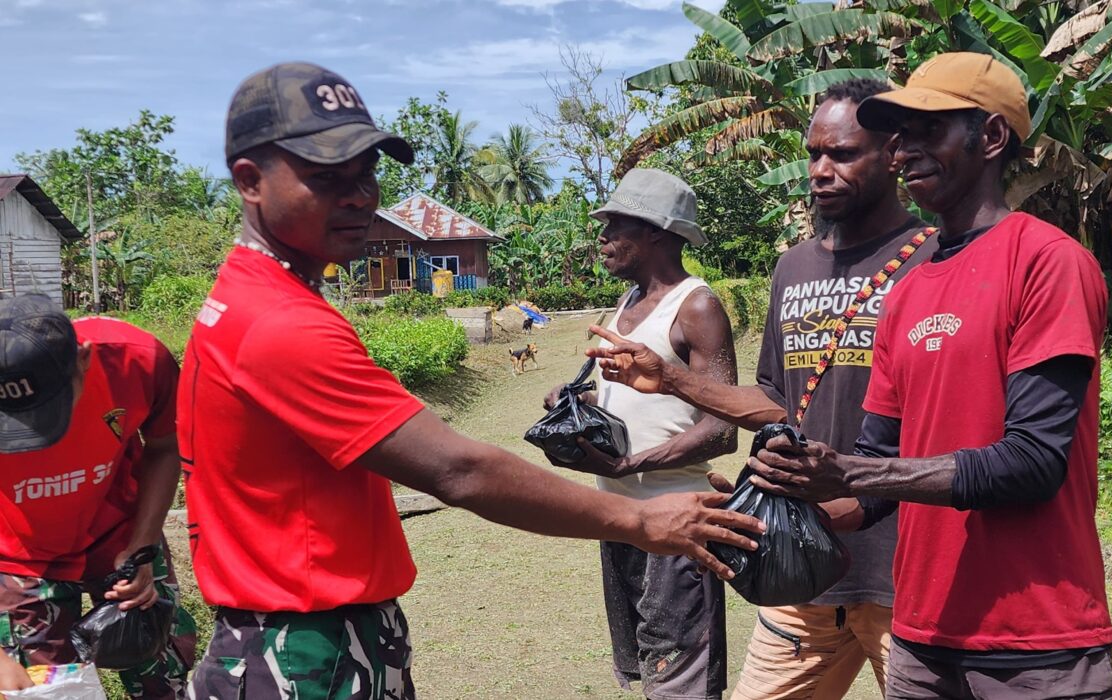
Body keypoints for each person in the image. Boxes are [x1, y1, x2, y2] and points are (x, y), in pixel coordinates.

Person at [179, 62, 764, 700]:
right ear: (249, 181)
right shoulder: (281, 325)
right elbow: (460, 471)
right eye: (325, 177)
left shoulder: (249, 302)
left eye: (366, 172)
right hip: (303, 650)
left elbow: (720, 425)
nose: (360, 196)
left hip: (312, 631)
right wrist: (639, 519)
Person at [743, 53, 1112, 699]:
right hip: (921, 635)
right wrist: (782, 508)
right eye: (900, 135)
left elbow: (1033, 462)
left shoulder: (1048, 261)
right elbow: (880, 473)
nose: (905, 151)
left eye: (928, 130)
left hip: (1035, 640)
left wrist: (854, 472)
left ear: (992, 138)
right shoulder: (910, 291)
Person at [589, 78, 937, 699]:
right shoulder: (794, 266)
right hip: (799, 558)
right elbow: (775, 400)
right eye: (813, 154)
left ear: (894, 153)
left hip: (903, 571)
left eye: (844, 154)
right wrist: (669, 377)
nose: (820, 171)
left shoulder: (933, 259)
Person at [541, 168, 738, 700]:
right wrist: (576, 400)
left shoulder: (696, 306)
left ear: (656, 232)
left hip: (678, 519)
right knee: (647, 672)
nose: (601, 238)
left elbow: (722, 430)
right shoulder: (626, 305)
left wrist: (630, 465)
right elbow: (636, 399)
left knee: (681, 681)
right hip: (623, 519)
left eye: (615, 224)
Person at [0, 294, 196, 699]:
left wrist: (142, 546)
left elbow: (164, 444)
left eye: (45, 411)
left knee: (161, 673)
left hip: (122, 535)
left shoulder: (136, 361)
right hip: (20, 557)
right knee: (49, 690)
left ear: (83, 360)